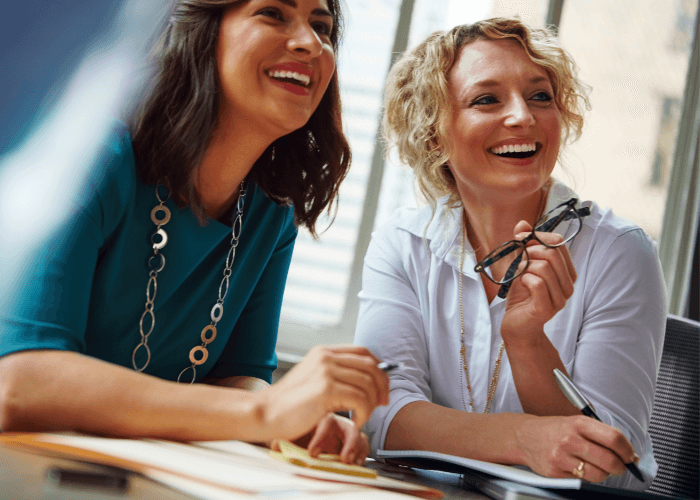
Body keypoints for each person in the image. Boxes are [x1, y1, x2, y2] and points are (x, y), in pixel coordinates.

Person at [0, 0, 389, 465]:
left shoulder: (271, 214)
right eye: (273, 13)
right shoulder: (94, 158)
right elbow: (19, 383)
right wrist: (265, 411)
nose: (311, 43)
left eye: (322, 26)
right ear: (200, 31)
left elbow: (237, 377)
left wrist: (299, 422)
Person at [355, 18, 666, 489]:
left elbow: (610, 468)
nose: (523, 116)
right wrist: (521, 438)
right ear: (433, 135)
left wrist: (527, 342)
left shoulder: (621, 253)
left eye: (540, 96)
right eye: (486, 99)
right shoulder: (403, 244)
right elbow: (382, 419)